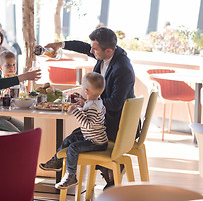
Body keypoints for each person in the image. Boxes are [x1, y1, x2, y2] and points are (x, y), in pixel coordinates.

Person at [40, 27, 136, 189]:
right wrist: (60, 44)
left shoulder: (123, 69)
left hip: (117, 124)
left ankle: (110, 174)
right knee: (75, 136)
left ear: (108, 50)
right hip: (104, 118)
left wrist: (88, 103)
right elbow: (83, 47)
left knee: (81, 137)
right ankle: (59, 161)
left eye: (94, 49)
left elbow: (115, 104)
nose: (91, 51)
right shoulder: (106, 53)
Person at [50, 72, 108, 189]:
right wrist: (83, 105)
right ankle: (57, 160)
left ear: (86, 91)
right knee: (70, 139)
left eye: (82, 88)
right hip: (92, 138)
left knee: (73, 148)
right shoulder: (96, 102)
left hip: (96, 143)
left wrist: (75, 111)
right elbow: (95, 115)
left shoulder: (93, 107)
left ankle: (71, 175)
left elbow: (88, 124)